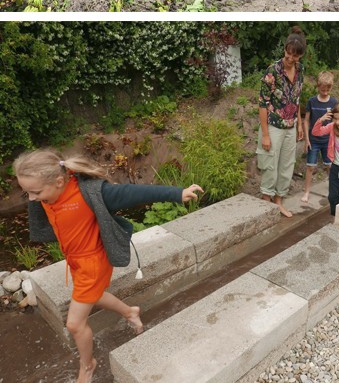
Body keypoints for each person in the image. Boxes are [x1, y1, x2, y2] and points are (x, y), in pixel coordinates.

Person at [14, 149, 203, 383]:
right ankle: (129, 312)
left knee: (75, 324)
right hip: (74, 259)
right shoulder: (47, 193)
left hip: (93, 263)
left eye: (36, 193)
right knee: (93, 296)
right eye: (27, 193)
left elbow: (132, 192)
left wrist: (177, 193)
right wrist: (39, 195)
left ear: (59, 181)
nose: (32, 199)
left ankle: (88, 365)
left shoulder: (91, 193)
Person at [259, 26, 306, 218]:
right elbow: (262, 104)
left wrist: (300, 124)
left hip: (291, 125)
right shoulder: (272, 71)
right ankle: (266, 204)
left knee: (287, 165)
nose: (290, 58)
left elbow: (296, 99)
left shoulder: (300, 70)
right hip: (274, 125)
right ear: (285, 49)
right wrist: (266, 135)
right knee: (270, 163)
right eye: (288, 53)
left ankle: (279, 202)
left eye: (295, 56)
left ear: (300, 56)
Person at [300, 70, 339, 204]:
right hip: (314, 141)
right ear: (318, 86)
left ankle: (333, 190)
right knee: (310, 167)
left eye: (328, 90)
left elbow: (337, 121)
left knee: (330, 166)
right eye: (322, 90)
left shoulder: (334, 102)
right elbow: (306, 120)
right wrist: (307, 139)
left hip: (328, 140)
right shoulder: (312, 101)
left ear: (331, 88)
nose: (325, 92)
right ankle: (306, 191)